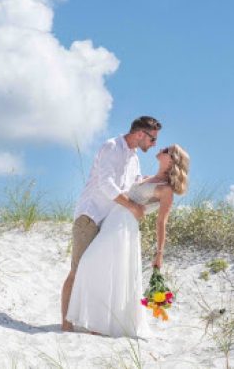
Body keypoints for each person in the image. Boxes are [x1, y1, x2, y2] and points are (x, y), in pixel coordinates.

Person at [65, 144, 190, 338]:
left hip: (123, 228)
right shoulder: (148, 177)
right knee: (98, 267)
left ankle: (100, 324)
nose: (161, 149)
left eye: (166, 150)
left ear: (172, 159)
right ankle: (99, 322)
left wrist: (159, 254)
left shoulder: (166, 189)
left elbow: (161, 223)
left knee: (92, 263)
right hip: (111, 221)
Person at [60, 116, 162, 333]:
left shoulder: (134, 158)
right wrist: (132, 208)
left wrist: (160, 180)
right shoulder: (111, 147)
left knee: (100, 272)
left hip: (111, 221)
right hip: (91, 216)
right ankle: (66, 325)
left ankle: (93, 324)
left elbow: (134, 184)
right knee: (77, 271)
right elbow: (106, 184)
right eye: (152, 139)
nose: (154, 144)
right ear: (140, 134)